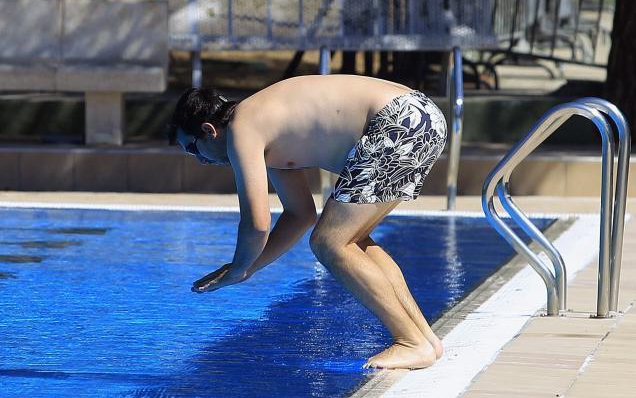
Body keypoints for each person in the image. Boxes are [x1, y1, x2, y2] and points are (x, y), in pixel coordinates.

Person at [167, 74, 449, 370]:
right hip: (422, 115)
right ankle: (425, 338)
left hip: (399, 120)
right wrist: (247, 269)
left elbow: (257, 223)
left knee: (330, 243)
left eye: (193, 149)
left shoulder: (242, 127)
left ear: (209, 130)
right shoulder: (267, 126)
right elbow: (299, 215)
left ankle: (410, 342)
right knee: (352, 241)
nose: (201, 161)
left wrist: (237, 268)